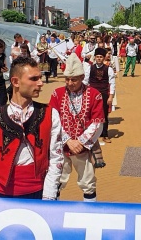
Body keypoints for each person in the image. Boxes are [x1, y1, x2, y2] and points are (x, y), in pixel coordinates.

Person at [0, 56, 64, 199]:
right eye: (34, 79)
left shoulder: (50, 114)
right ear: (15, 82)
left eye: (40, 78)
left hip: (39, 194)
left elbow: (56, 158)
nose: (40, 83)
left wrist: (48, 198)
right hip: (2, 195)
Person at [50, 53, 105, 202]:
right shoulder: (57, 94)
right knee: (56, 180)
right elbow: (53, 120)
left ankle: (90, 215)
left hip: (83, 148)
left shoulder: (94, 95)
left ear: (81, 77)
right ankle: (53, 213)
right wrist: (68, 140)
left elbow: (97, 122)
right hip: (61, 146)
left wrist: (80, 142)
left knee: (88, 182)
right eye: (67, 79)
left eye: (73, 79)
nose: (69, 82)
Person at [84, 48, 115, 144]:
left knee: (104, 114)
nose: (99, 59)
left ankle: (104, 134)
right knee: (90, 114)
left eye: (101, 57)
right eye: (97, 57)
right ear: (95, 58)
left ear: (103, 58)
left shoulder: (108, 69)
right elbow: (85, 81)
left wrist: (111, 97)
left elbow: (112, 83)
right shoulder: (90, 68)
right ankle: (91, 134)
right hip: (92, 94)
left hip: (104, 94)